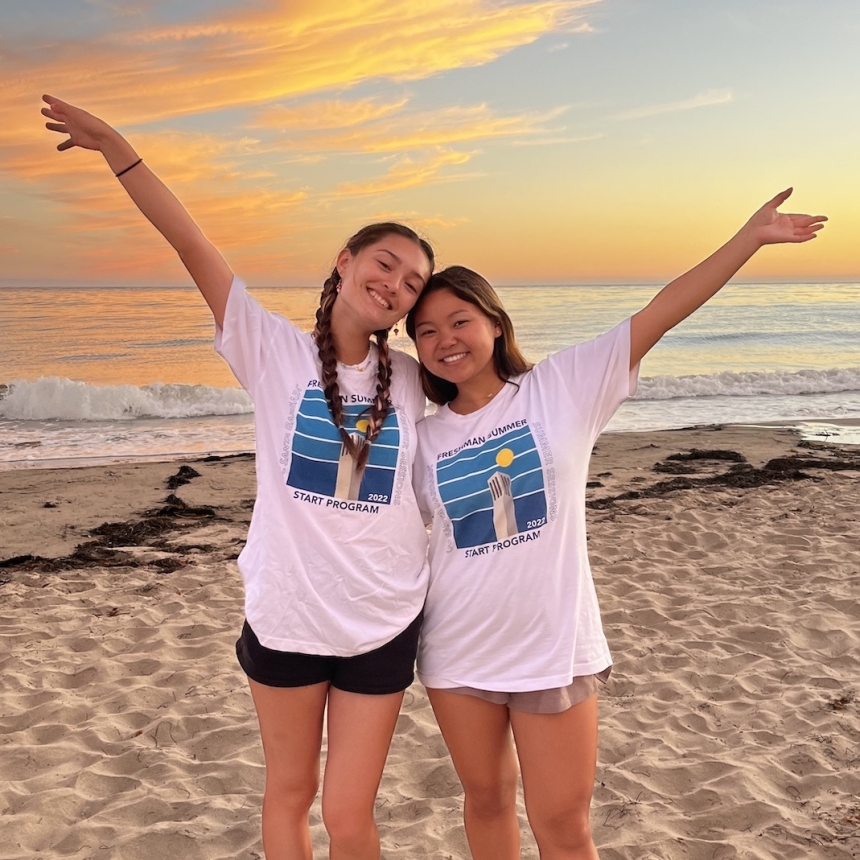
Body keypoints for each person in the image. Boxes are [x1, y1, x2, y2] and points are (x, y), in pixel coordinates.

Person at [42, 94, 435, 860]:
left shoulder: (419, 382)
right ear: (345, 261)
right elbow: (191, 243)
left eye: (413, 282)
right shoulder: (273, 350)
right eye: (384, 263)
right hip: (287, 615)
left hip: (382, 623)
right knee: (289, 796)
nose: (394, 284)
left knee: (351, 817)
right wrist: (117, 146)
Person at [405, 191, 825, 860]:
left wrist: (749, 238)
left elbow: (662, 309)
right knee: (485, 803)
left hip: (552, 646)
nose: (444, 340)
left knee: (563, 826)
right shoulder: (421, 440)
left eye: (458, 321)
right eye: (425, 332)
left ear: (493, 323)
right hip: (457, 651)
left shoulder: (563, 387)